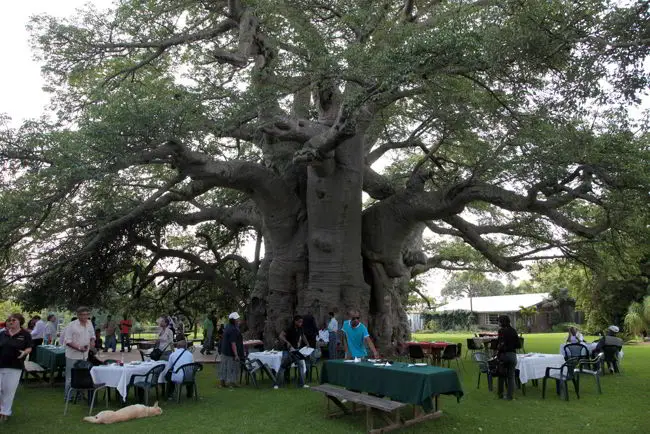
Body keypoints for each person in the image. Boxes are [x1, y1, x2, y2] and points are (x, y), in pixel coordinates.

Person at [0, 313, 32, 421]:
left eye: (13, 320)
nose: (11, 322)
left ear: (20, 321)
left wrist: (24, 352)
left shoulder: (25, 334)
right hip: (1, 364)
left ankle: (5, 412)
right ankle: (2, 409)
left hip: (15, 366)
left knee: (9, 390)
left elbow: (29, 348)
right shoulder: (2, 333)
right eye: (9, 320)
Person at [60, 307, 95, 401]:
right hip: (73, 355)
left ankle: (80, 395)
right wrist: (79, 348)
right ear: (78, 315)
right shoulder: (71, 325)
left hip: (84, 355)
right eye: (82, 315)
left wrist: (92, 341)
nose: (85, 317)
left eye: (86, 315)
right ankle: (68, 397)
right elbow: (67, 341)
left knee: (83, 376)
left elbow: (92, 335)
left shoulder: (89, 323)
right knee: (70, 377)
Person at [496, 315, 520, 401]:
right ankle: (509, 396)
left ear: (502, 322)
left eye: (499, 321)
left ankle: (500, 394)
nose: (498, 323)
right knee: (511, 376)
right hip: (513, 355)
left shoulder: (501, 331)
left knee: (501, 375)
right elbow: (518, 345)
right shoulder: (513, 331)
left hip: (504, 355)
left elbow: (500, 344)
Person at [220, 312, 244, 389]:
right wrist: (236, 355)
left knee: (225, 367)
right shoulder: (233, 329)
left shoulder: (228, 326)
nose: (238, 320)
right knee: (232, 367)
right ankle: (231, 382)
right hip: (230, 352)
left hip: (225, 351)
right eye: (237, 319)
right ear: (233, 320)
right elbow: (233, 343)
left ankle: (223, 382)